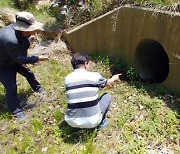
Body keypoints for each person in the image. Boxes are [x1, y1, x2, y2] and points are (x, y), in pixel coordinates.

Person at [0, 11, 48, 121]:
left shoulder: (23, 35)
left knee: (29, 73)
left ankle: (38, 88)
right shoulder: (10, 39)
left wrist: (25, 63)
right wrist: (36, 58)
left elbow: (21, 54)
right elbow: (18, 58)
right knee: (11, 87)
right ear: (23, 28)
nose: (35, 30)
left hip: (14, 59)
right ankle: (16, 111)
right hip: (3, 65)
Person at [64, 53, 120, 130]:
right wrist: (114, 78)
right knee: (107, 96)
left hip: (71, 122)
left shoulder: (67, 79)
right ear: (85, 64)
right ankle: (101, 123)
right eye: (88, 63)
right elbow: (108, 82)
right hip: (92, 122)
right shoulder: (95, 76)